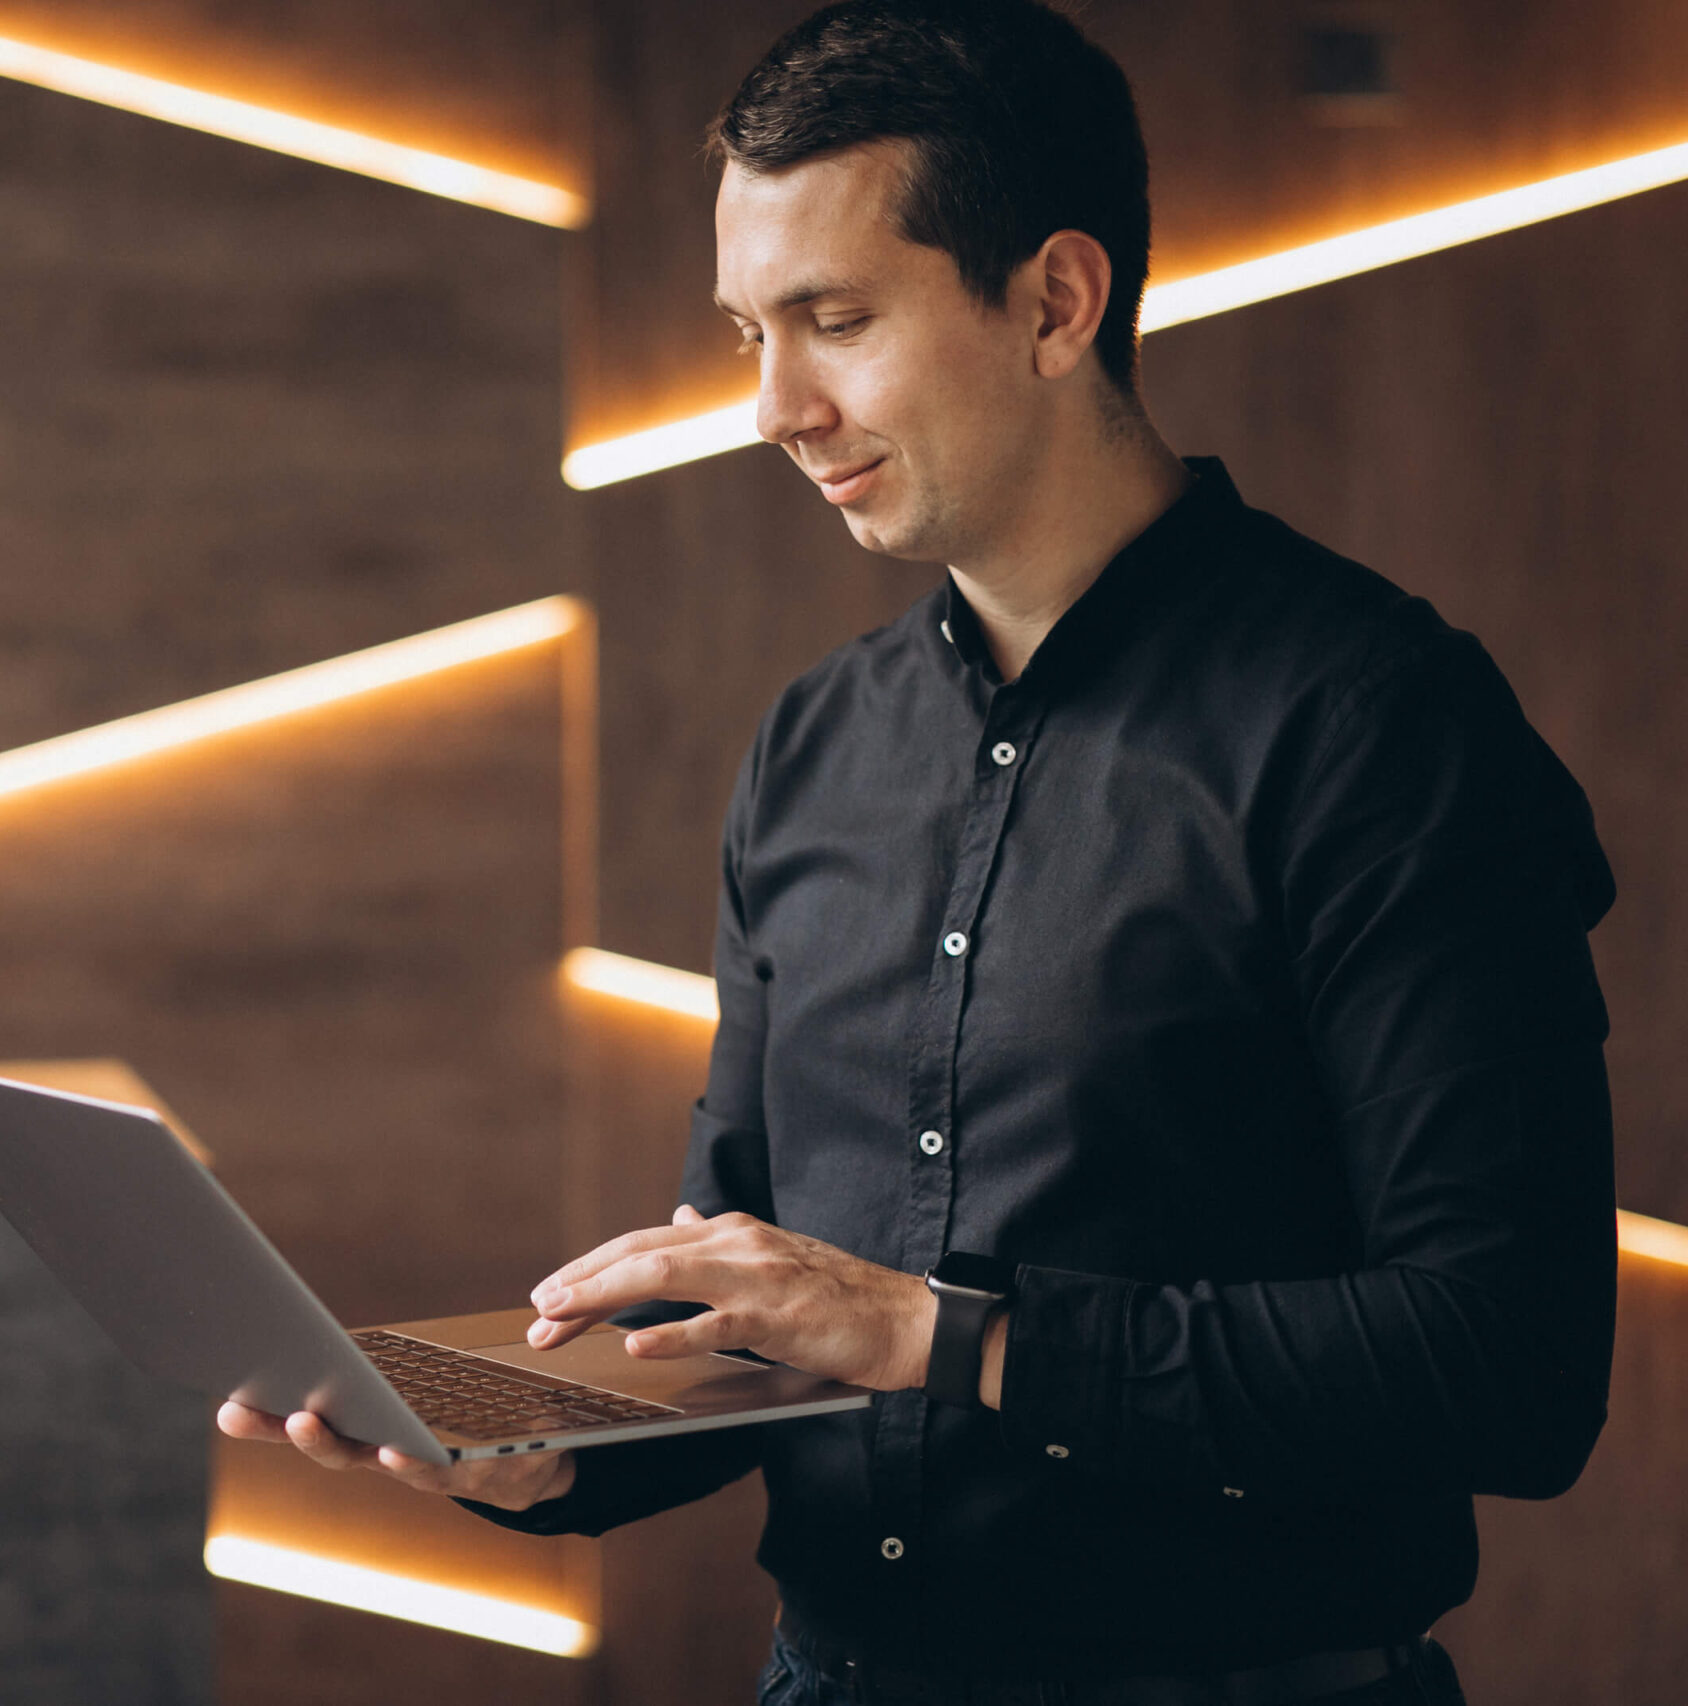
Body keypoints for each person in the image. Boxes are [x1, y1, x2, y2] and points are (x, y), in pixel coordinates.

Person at [219, 2, 1617, 1700]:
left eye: (835, 321)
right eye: (745, 332)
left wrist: (943, 1331)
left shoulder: (1378, 722)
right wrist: (544, 1451)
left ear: (1054, 301)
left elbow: (1511, 1363)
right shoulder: (813, 745)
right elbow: (758, 1299)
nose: (773, 406)